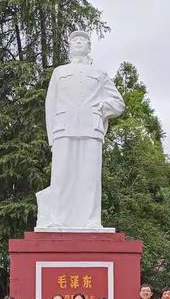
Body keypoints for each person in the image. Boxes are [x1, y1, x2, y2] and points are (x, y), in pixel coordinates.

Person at [35, 30, 125, 230]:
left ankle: (92, 220)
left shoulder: (99, 74)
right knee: (62, 175)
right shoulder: (59, 72)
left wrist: (102, 107)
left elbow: (118, 104)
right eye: (74, 40)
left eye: (83, 40)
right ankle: (58, 218)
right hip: (64, 129)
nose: (78, 42)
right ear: (69, 46)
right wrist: (52, 138)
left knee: (89, 176)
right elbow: (50, 105)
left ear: (89, 47)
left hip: (91, 129)